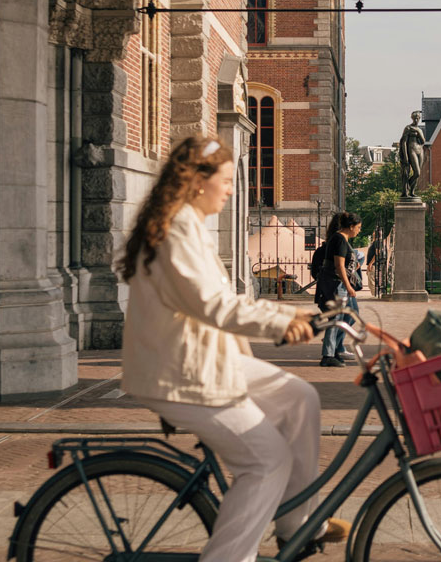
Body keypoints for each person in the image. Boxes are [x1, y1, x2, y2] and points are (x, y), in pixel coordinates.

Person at [118, 136, 348, 561]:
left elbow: (223, 301)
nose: (230, 189)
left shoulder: (189, 224)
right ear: (196, 181)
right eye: (225, 181)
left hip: (203, 360)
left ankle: (297, 526)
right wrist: (281, 322)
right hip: (181, 371)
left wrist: (289, 318)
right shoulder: (177, 229)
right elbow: (211, 305)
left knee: (300, 397)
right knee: (267, 462)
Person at [315, 211, 362, 367]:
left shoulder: (341, 238)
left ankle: (334, 348)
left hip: (336, 283)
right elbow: (339, 265)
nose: (359, 230)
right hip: (335, 284)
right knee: (336, 318)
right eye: (358, 227)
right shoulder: (340, 239)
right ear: (351, 226)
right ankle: (328, 355)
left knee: (347, 314)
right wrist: (349, 287)